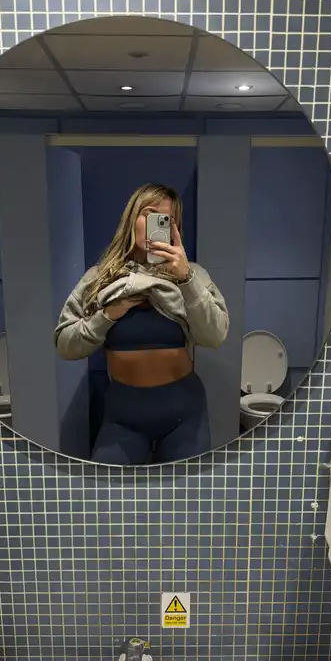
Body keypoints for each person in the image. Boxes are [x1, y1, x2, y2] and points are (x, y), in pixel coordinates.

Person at [54, 182, 228, 465]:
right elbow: (65, 345)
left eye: (166, 220)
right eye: (149, 214)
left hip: (183, 411)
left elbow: (215, 335)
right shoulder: (101, 279)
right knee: (107, 488)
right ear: (131, 218)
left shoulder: (192, 276)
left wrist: (186, 279)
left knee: (187, 492)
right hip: (124, 415)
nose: (155, 226)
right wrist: (107, 315)